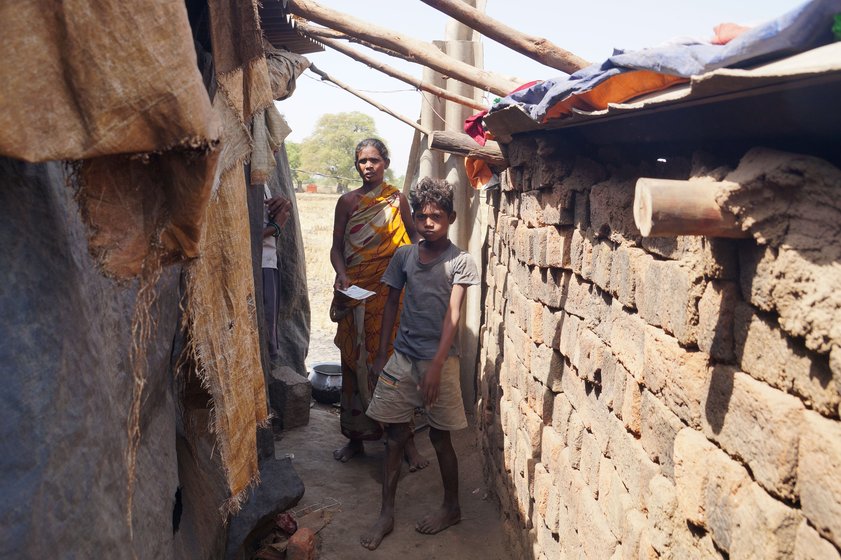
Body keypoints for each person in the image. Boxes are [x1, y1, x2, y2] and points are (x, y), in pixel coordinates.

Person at [360, 177, 480, 551]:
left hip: (439, 363)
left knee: (442, 438)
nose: (428, 223)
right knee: (394, 436)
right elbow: (391, 304)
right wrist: (382, 353)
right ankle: (386, 513)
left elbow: (453, 315)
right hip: (404, 357)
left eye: (437, 216)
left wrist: (436, 364)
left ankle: (451, 506)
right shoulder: (404, 257)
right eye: (423, 216)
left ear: (452, 217)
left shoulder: (460, 262)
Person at [330, 138, 427, 470]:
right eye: (362, 162)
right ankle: (355, 439)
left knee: (393, 368)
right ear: (357, 165)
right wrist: (342, 275)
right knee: (353, 362)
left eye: (374, 160)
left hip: (389, 294)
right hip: (355, 295)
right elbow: (336, 248)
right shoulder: (347, 201)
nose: (368, 166)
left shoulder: (396, 199)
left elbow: (412, 236)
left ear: (385, 162)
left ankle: (407, 441)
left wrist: (412, 265)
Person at [263, 186, 292, 365]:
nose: (275, 156)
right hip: (257, 268)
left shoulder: (263, 181)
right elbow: (238, 237)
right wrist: (276, 226)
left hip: (268, 263)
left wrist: (282, 205)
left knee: (267, 336)